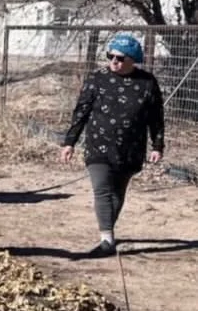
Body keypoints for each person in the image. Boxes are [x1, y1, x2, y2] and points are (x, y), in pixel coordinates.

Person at [60, 34, 165, 258]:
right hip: (99, 144)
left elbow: (156, 116)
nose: (114, 61)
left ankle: (108, 229)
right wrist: (70, 142)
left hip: (131, 149)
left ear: (132, 60)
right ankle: (107, 239)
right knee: (102, 189)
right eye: (110, 56)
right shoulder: (98, 78)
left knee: (118, 192)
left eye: (120, 57)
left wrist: (157, 145)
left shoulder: (147, 83)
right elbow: (81, 112)